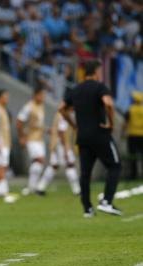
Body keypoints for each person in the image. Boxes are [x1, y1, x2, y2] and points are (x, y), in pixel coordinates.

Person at [59, 60, 122, 217]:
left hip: (83, 137)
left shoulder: (75, 89)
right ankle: (107, 201)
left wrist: (74, 125)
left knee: (85, 174)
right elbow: (108, 104)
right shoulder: (100, 87)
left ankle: (87, 209)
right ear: (96, 71)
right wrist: (111, 123)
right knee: (115, 166)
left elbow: (61, 108)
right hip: (100, 134)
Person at [36, 111, 80, 195]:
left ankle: (40, 187)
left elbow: (57, 129)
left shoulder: (58, 114)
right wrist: (66, 149)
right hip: (62, 145)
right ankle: (77, 190)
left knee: (54, 166)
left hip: (55, 144)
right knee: (70, 165)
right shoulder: (64, 114)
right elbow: (62, 132)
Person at [17, 86, 46, 195]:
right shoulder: (28, 107)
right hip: (31, 138)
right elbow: (19, 122)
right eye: (41, 95)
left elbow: (38, 123)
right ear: (36, 95)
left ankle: (32, 187)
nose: (43, 97)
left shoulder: (41, 106)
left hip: (40, 138)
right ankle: (32, 186)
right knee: (39, 160)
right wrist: (22, 137)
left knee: (38, 162)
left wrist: (46, 130)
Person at [124, 91, 143, 180]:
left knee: (132, 156)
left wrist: (122, 133)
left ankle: (133, 175)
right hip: (142, 135)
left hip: (132, 135)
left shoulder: (130, 109)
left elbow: (126, 122)